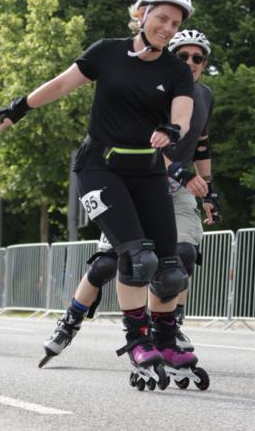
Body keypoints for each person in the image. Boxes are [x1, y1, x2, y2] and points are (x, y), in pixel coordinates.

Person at [0, 0, 209, 389]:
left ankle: (165, 338)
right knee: (137, 258)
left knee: (171, 269)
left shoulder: (176, 70)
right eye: (161, 18)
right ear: (140, 13)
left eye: (174, 23)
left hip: (147, 172)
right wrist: (17, 109)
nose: (167, 28)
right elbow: (60, 84)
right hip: (100, 169)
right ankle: (137, 341)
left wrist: (172, 130)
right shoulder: (107, 52)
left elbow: (184, 113)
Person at [41, 28, 220, 361]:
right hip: (137, 182)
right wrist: (179, 171)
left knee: (179, 257)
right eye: (183, 56)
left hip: (177, 189)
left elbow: (202, 143)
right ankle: (70, 321)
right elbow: (141, 141)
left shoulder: (204, 96)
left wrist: (209, 189)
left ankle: (167, 328)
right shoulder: (154, 87)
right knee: (111, 263)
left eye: (199, 58)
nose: (191, 63)